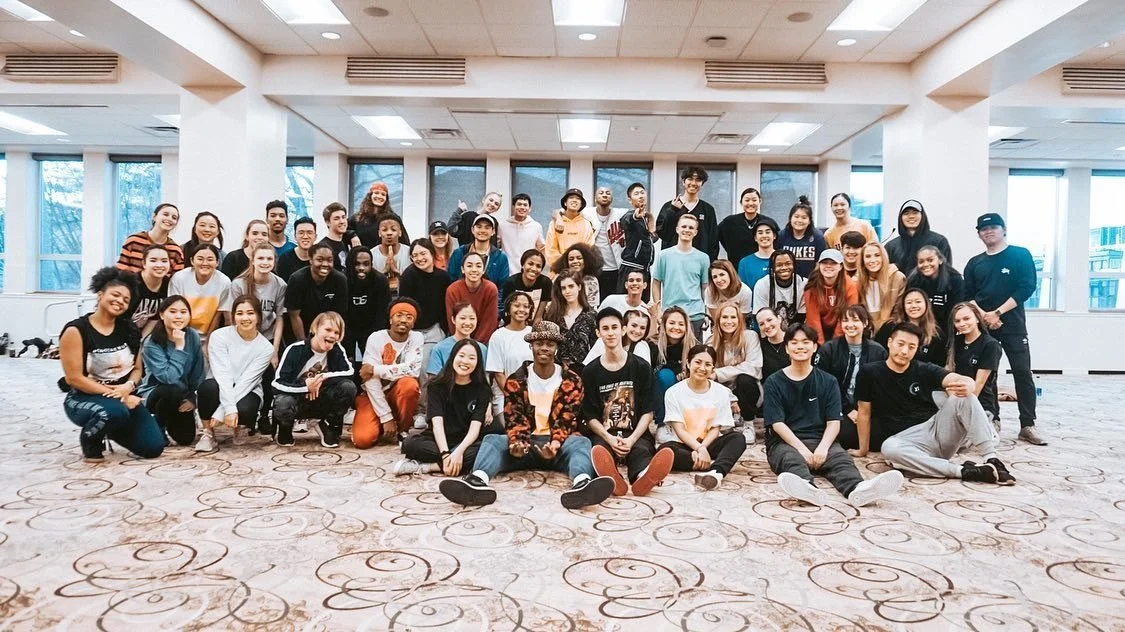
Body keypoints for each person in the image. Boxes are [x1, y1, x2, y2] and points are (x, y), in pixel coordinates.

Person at [437, 321, 616, 509]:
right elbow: (514, 418)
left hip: (558, 444)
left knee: (581, 443)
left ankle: (582, 484)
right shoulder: (517, 379)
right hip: (526, 444)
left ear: (556, 348)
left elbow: (567, 419)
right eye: (539, 343)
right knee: (492, 440)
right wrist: (517, 443)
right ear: (531, 346)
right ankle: (476, 482)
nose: (544, 348)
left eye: (550, 344)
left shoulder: (571, 380)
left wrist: (554, 444)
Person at [852, 322, 1015, 486]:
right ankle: (966, 471)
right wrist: (863, 449)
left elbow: (954, 378)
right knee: (888, 448)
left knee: (964, 396)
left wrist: (969, 383)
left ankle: (992, 458)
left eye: (911, 346)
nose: (904, 351)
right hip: (905, 441)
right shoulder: (869, 372)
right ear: (889, 342)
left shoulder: (924, 369)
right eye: (900, 344)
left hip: (936, 432)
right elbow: (864, 412)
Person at [766, 322, 903, 507]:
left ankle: (859, 489)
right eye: (794, 342)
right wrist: (802, 450)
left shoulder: (828, 381)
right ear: (787, 348)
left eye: (806, 342)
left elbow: (833, 422)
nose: (800, 347)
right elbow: (777, 424)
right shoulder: (774, 382)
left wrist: (823, 448)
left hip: (821, 438)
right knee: (792, 461)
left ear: (814, 347)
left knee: (842, 461)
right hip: (786, 442)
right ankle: (808, 489)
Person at [60, 268, 163, 461]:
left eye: (126, 299)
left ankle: (113, 424)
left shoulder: (129, 329)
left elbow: (138, 369)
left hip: (123, 394)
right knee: (113, 412)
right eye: (115, 295)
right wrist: (120, 398)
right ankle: (91, 440)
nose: (120, 301)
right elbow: (74, 378)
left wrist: (127, 387)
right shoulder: (76, 330)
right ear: (100, 295)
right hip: (84, 398)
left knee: (153, 447)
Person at [963, 213, 1043, 445]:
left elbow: (1027, 286)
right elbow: (968, 295)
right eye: (983, 229)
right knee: (988, 375)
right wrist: (985, 317)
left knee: (1022, 373)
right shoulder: (975, 263)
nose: (988, 231)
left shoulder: (1020, 255)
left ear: (1004, 229)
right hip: (984, 327)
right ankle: (993, 419)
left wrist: (998, 313)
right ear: (978, 233)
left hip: (1013, 325)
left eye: (994, 227)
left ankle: (1027, 425)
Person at [585, 308, 674, 497]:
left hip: (635, 432)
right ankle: (612, 478)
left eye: (614, 327)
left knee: (641, 450)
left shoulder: (641, 367)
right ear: (598, 333)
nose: (610, 333)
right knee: (599, 450)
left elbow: (648, 411)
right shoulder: (591, 372)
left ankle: (643, 476)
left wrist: (631, 439)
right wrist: (609, 438)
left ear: (623, 330)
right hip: (605, 433)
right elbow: (590, 415)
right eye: (605, 328)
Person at [395, 338, 491, 476]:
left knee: (487, 450)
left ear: (478, 363)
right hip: (438, 438)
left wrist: (459, 452)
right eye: (461, 356)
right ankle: (451, 463)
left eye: (471, 358)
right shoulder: (436, 386)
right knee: (409, 444)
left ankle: (428, 467)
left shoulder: (483, 389)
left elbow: (475, 429)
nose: (465, 361)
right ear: (453, 357)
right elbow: (437, 425)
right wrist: (446, 454)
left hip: (465, 441)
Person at [661, 345, 748, 489]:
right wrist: (699, 449)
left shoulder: (721, 392)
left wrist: (703, 448)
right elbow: (679, 430)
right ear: (688, 363)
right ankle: (706, 462)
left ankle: (716, 472)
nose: (702, 368)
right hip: (684, 444)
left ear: (713, 368)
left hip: (710, 442)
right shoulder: (673, 392)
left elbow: (716, 428)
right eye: (698, 362)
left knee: (738, 438)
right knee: (665, 450)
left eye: (708, 364)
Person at [272, 311, 357, 448]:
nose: (332, 335)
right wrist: (306, 387)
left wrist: (322, 378)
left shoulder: (337, 349)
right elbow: (277, 384)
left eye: (336, 332)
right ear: (315, 328)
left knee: (348, 387)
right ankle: (285, 428)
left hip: (321, 399)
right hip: (298, 400)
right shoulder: (294, 349)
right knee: (283, 402)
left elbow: (350, 372)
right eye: (328, 329)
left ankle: (327, 424)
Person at [197, 295, 275, 444]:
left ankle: (240, 426)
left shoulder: (266, 347)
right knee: (207, 388)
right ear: (233, 317)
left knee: (245, 409)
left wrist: (223, 412)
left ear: (258, 316)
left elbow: (247, 381)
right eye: (239, 313)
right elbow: (222, 373)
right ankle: (208, 433)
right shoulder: (219, 336)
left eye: (250, 313)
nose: (245, 318)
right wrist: (229, 409)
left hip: (248, 389)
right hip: (220, 383)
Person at [353, 298, 424, 448]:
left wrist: (376, 370)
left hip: (397, 392)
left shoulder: (416, 338)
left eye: (409, 317)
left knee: (409, 384)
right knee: (363, 440)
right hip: (373, 395)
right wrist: (386, 417)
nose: (403, 320)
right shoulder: (376, 338)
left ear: (414, 322)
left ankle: (402, 429)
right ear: (390, 319)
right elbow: (369, 379)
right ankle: (382, 423)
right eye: (399, 315)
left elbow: (412, 370)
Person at [815, 305, 887, 447]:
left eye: (855, 320)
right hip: (838, 408)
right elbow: (823, 385)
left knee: (880, 436)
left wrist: (865, 412)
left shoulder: (878, 352)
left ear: (865, 323)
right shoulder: (828, 350)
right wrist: (847, 409)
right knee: (845, 435)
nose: (850, 325)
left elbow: (882, 387)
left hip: (868, 409)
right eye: (845, 320)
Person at [137, 295, 204, 447]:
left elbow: (198, 372)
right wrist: (179, 347)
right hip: (157, 395)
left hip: (181, 395)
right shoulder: (151, 343)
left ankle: (169, 421)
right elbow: (169, 377)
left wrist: (193, 400)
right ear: (162, 314)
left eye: (183, 312)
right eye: (173, 311)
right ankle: (156, 424)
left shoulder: (192, 336)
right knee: (172, 390)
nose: (178, 316)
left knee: (186, 438)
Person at [399, 238, 452, 389]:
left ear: (432, 253)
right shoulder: (408, 276)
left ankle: (432, 406)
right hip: (414, 331)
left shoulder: (443, 277)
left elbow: (445, 306)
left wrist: (444, 329)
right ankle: (421, 408)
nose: (419, 258)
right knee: (420, 368)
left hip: (435, 329)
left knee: (436, 368)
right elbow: (404, 306)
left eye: (423, 253)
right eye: (415, 256)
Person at [652, 213, 710, 340]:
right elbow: (656, 283)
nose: (687, 230)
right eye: (684, 226)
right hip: (669, 314)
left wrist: (706, 312)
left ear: (695, 232)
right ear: (677, 229)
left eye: (691, 228)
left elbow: (705, 287)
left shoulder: (703, 258)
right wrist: (658, 310)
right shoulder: (664, 256)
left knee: (694, 356)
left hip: (695, 315)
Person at [947, 302, 1004, 429]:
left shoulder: (991, 345)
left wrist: (957, 410)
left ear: (977, 318)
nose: (962, 324)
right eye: (957, 321)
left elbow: (978, 385)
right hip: (955, 398)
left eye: (966, 318)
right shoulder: (956, 342)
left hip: (978, 404)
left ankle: (989, 427)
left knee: (960, 441)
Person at [231, 245, 287, 363]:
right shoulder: (238, 284)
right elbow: (233, 319)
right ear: (252, 261)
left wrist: (274, 351)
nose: (265, 262)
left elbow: (280, 318)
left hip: (268, 339)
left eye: (269, 259)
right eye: (260, 258)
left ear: (274, 262)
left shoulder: (280, 285)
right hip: (244, 338)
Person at [285, 243, 349, 342]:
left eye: (329, 260)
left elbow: (338, 314)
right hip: (303, 327)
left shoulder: (340, 280)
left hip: (328, 327)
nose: (325, 264)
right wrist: (303, 343)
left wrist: (331, 340)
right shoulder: (297, 279)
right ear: (310, 260)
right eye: (319, 260)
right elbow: (294, 315)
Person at [711, 302, 763, 421]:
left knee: (745, 379)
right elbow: (709, 375)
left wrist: (718, 373)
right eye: (724, 317)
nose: (729, 321)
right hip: (724, 391)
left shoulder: (750, 336)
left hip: (747, 390)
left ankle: (748, 423)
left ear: (739, 320)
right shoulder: (711, 343)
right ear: (718, 320)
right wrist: (731, 398)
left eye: (733, 317)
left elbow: (753, 367)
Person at [168, 244, 232, 341]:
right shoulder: (179, 278)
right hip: (181, 332)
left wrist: (208, 342)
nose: (205, 263)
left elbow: (218, 315)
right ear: (192, 261)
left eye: (210, 259)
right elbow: (175, 311)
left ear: (217, 263)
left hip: (207, 336)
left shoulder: (224, 282)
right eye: (200, 259)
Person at [487, 291, 534, 420]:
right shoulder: (498, 336)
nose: (521, 309)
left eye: (526, 306)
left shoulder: (534, 333)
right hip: (506, 396)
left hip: (534, 395)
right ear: (508, 309)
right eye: (517, 305)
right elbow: (498, 374)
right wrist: (515, 398)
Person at [656, 165, 719, 260]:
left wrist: (711, 264)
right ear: (683, 182)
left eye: (698, 180)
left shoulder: (708, 209)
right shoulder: (669, 206)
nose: (693, 183)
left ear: (702, 183)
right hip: (673, 260)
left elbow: (713, 241)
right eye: (690, 179)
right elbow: (663, 234)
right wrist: (672, 212)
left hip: (699, 261)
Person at [874, 288, 946, 366]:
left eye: (918, 302)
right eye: (909, 302)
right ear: (903, 306)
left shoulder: (935, 333)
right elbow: (877, 352)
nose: (914, 306)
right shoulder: (891, 326)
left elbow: (939, 363)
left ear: (926, 304)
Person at [342, 246, 391, 360]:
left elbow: (383, 314)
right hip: (347, 329)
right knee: (347, 363)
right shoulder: (342, 280)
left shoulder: (380, 280)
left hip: (371, 328)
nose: (361, 268)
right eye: (357, 264)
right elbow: (339, 312)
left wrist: (376, 338)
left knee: (372, 362)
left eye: (366, 264)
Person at [542, 270, 597, 369]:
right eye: (563, 288)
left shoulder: (591, 315)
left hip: (584, 371)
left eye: (571, 286)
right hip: (556, 370)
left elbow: (595, 348)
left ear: (579, 287)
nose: (567, 291)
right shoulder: (552, 315)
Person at [907, 245, 964, 340]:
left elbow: (957, 308)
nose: (925, 264)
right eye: (921, 261)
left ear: (940, 260)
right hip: (921, 329)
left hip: (947, 329)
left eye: (930, 260)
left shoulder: (954, 279)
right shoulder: (913, 280)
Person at [653, 306, 697, 424]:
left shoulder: (693, 346)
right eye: (672, 323)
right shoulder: (653, 345)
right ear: (664, 325)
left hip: (685, 391)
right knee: (665, 375)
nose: (676, 327)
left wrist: (686, 373)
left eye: (681, 324)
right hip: (661, 389)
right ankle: (664, 423)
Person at [804, 249, 858, 344]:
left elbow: (847, 316)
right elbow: (813, 319)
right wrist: (820, 344)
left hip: (842, 330)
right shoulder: (812, 285)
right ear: (819, 265)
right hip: (818, 331)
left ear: (840, 266)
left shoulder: (850, 285)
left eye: (833, 263)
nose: (828, 266)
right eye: (824, 263)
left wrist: (835, 344)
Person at [885, 199, 952, 276]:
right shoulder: (891, 246)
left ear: (922, 216)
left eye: (915, 212)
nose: (911, 216)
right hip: (900, 287)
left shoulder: (939, 241)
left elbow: (946, 271)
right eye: (906, 213)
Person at [445, 251, 499, 344]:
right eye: (469, 266)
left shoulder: (491, 289)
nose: (474, 270)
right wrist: (462, 343)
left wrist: (476, 345)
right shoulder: (452, 290)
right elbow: (452, 321)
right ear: (462, 269)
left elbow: (489, 322)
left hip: (483, 341)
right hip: (458, 340)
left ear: (483, 270)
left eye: (478, 266)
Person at [117, 203, 185, 274]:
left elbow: (176, 281)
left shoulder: (176, 250)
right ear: (154, 216)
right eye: (165, 214)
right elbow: (120, 272)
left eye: (174, 217)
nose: (169, 219)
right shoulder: (133, 241)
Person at [583, 186, 626, 293]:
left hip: (615, 269)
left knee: (612, 303)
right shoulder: (587, 213)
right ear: (595, 198)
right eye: (601, 193)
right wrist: (559, 218)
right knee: (593, 302)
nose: (605, 195)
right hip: (594, 269)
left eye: (608, 193)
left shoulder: (620, 213)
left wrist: (651, 223)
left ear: (612, 198)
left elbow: (642, 214)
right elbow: (560, 211)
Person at [448, 213, 510, 287]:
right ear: (472, 230)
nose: (482, 230)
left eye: (487, 227)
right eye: (479, 227)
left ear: (493, 231)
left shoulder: (500, 257)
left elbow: (502, 287)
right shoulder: (459, 253)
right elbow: (451, 280)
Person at [856, 241, 906, 330]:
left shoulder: (898, 278)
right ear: (862, 260)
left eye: (877, 255)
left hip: (891, 329)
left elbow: (899, 313)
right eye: (868, 256)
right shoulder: (856, 281)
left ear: (883, 257)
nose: (872, 260)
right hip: (865, 330)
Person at [124, 244, 171, 337]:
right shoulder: (131, 283)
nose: (159, 265)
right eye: (153, 260)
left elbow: (155, 319)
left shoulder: (168, 284)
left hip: (146, 334)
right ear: (144, 264)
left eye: (164, 261)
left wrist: (142, 342)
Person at [428, 302, 486, 377]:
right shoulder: (439, 348)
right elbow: (433, 380)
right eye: (463, 318)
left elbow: (484, 379)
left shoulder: (482, 349)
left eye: (472, 318)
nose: (468, 323)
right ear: (453, 319)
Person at [618, 182, 655, 299]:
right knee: (625, 306)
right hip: (630, 268)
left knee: (642, 306)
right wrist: (635, 216)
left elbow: (649, 239)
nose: (640, 196)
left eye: (642, 193)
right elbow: (627, 220)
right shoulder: (629, 215)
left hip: (645, 270)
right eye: (636, 194)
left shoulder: (646, 218)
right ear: (630, 200)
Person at [752, 250, 807, 329]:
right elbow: (760, 318)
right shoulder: (762, 285)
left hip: (795, 331)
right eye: (779, 265)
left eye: (788, 264)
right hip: (770, 330)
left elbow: (802, 317)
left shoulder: (804, 284)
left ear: (794, 265)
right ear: (773, 268)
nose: (784, 268)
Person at [545, 188, 595, 269]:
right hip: (559, 271)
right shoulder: (555, 223)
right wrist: (565, 266)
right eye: (571, 198)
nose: (574, 200)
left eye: (578, 199)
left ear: (581, 204)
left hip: (581, 271)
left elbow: (589, 249)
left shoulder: (586, 224)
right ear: (565, 203)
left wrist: (577, 265)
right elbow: (550, 250)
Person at [778, 196, 827, 278]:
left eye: (804, 217)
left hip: (810, 282)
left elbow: (820, 263)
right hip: (786, 282)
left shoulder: (817, 237)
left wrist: (810, 282)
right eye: (796, 216)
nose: (799, 220)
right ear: (790, 218)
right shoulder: (782, 236)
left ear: (809, 221)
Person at [349, 181, 410, 248]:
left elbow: (405, 242)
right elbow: (343, 230)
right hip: (364, 257)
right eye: (376, 193)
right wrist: (352, 235)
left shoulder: (393, 218)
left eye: (383, 194)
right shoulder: (358, 218)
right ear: (370, 195)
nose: (379, 196)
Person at [719, 187, 767, 269]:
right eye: (747, 200)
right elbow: (716, 235)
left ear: (760, 201)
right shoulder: (729, 222)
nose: (751, 203)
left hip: (762, 267)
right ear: (741, 202)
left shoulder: (767, 222)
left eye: (754, 200)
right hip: (736, 268)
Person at [497, 193, 545, 275]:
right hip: (507, 272)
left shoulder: (536, 226)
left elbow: (542, 248)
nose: (522, 207)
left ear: (529, 208)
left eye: (525, 205)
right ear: (513, 206)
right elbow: (497, 246)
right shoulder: (502, 226)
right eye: (519, 204)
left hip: (528, 273)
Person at [501, 249, 552, 322]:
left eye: (538, 266)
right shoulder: (511, 282)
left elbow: (539, 315)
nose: (534, 269)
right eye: (530, 264)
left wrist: (532, 331)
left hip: (535, 323)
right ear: (522, 265)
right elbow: (507, 311)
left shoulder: (546, 283)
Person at [551, 242, 602, 307]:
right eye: (571, 259)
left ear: (586, 260)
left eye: (579, 258)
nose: (575, 261)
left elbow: (592, 307)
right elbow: (553, 303)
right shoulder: (558, 279)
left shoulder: (592, 281)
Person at [737, 218, 781, 290]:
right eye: (760, 233)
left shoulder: (783, 259)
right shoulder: (745, 263)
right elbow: (743, 290)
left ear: (774, 236)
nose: (764, 236)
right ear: (755, 238)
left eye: (767, 232)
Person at [372, 214, 411, 294]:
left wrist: (397, 272)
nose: (389, 233)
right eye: (384, 230)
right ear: (379, 233)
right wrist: (384, 272)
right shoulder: (371, 254)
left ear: (400, 233)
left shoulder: (410, 253)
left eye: (393, 230)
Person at [705, 260, 752, 325]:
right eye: (714, 277)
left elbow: (742, 320)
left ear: (730, 274)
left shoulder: (745, 291)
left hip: (740, 325)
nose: (719, 280)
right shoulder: (710, 291)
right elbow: (716, 320)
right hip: (719, 325)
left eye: (722, 275)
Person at [276, 217, 316, 281]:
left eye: (309, 233)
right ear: (295, 236)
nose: (305, 236)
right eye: (301, 233)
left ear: (315, 237)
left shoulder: (321, 259)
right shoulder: (285, 259)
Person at [756, 307, 790, 381]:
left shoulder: (793, 340)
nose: (767, 326)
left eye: (769, 320)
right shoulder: (759, 347)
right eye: (761, 324)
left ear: (779, 319)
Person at [319, 202, 352, 270]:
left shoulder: (345, 243)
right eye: (336, 218)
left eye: (343, 217)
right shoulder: (322, 247)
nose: (342, 221)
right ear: (327, 222)